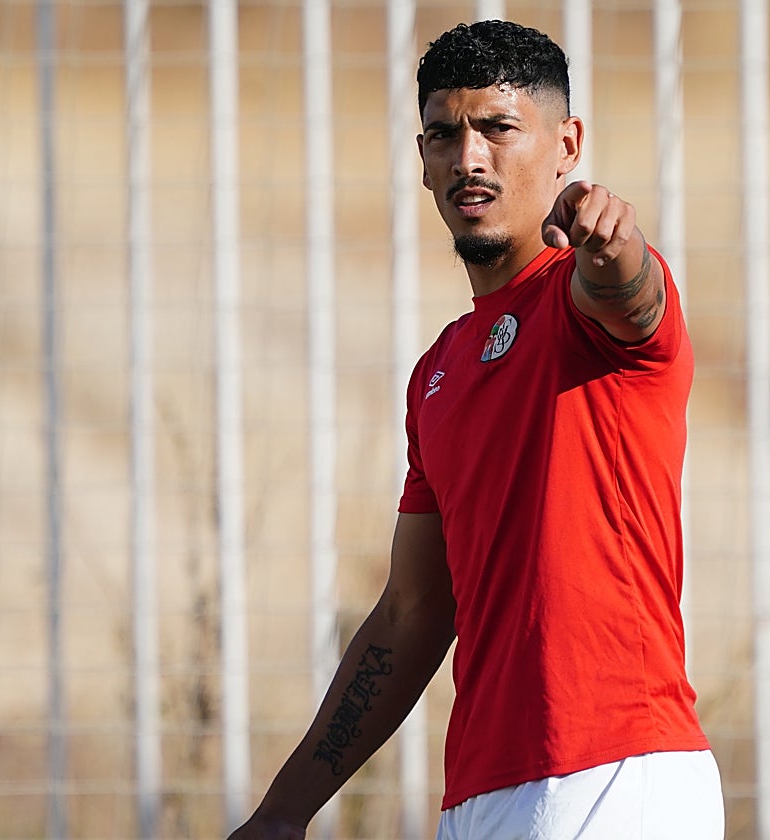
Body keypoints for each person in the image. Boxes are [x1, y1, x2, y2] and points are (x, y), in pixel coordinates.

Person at [228, 19, 723, 840]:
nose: (470, 157)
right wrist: (283, 814)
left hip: (617, 778)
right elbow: (413, 611)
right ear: (423, 159)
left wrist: (615, 250)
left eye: (498, 128)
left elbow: (634, 299)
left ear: (566, 144)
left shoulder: (584, 303)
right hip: (483, 796)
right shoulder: (438, 374)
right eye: (444, 134)